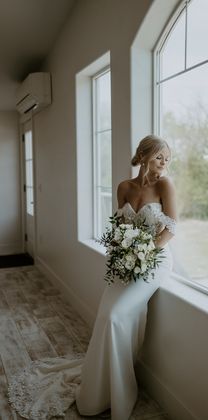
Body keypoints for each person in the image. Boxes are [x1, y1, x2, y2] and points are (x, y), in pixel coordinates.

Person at [8, 135, 177, 420]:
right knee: (104, 316)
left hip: (155, 262)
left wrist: (144, 254)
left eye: (167, 159)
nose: (164, 163)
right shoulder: (124, 186)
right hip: (125, 261)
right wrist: (122, 252)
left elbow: (170, 230)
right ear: (145, 155)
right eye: (160, 156)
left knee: (114, 317)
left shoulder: (165, 185)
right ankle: (100, 386)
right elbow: (120, 226)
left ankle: (122, 391)